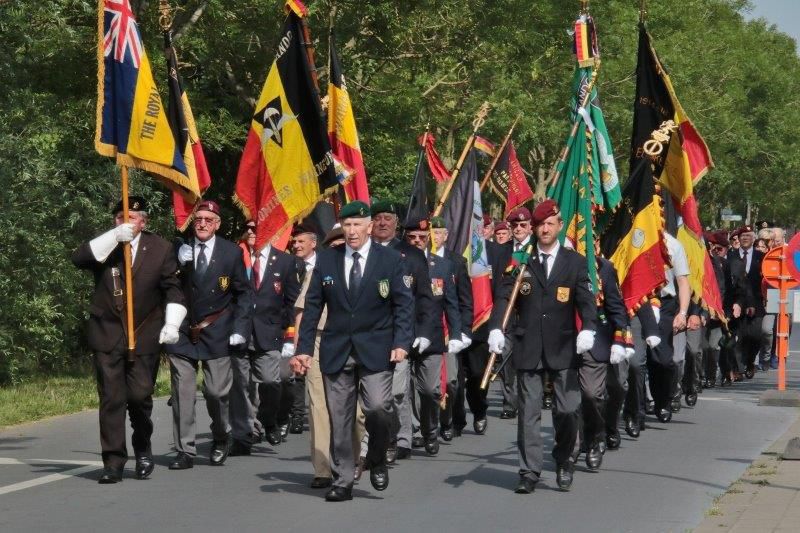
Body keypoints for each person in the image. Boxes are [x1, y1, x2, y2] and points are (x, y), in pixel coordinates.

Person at [290, 201, 414, 502]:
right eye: (347, 225)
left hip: (377, 348)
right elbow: (313, 307)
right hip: (337, 348)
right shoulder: (328, 260)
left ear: (369, 227)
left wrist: (401, 343)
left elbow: (403, 304)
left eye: (358, 225)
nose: (352, 231)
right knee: (340, 417)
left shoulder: (390, 260)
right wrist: (304, 348)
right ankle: (342, 479)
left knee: (377, 407)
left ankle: (377, 456)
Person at [72, 196, 185, 484]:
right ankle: (113, 462)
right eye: (121, 217)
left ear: (144, 222)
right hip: (107, 333)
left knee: (139, 396)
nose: (126, 221)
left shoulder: (160, 248)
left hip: (145, 334)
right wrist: (112, 236)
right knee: (112, 399)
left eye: (133, 217)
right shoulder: (106, 246)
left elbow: (172, 289)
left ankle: (143, 448)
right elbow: (79, 258)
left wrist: (172, 323)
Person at [488, 199, 597, 493]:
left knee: (567, 409)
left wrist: (588, 327)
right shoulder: (522, 261)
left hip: (563, 346)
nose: (545, 229)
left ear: (559, 227)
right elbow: (504, 297)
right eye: (540, 225)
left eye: (550, 224)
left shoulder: (574, 262)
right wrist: (496, 328)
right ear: (534, 229)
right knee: (529, 412)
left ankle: (564, 460)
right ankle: (529, 471)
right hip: (529, 345)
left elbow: (587, 301)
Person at [166, 200, 253, 469]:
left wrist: (239, 329)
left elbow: (243, 293)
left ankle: (220, 436)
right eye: (198, 219)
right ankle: (186, 450)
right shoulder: (179, 249)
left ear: (217, 224)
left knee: (216, 392)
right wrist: (177, 264)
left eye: (208, 219)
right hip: (183, 329)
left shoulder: (230, 253)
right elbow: (166, 284)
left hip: (217, 330)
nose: (202, 224)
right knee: (183, 392)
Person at [228, 221, 302, 455]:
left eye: (256, 228)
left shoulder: (286, 261)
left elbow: (292, 303)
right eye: (248, 228)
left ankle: (268, 420)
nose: (250, 232)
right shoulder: (235, 257)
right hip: (238, 331)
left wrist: (290, 338)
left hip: (270, 333)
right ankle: (242, 436)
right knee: (240, 386)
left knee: (271, 382)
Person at [370, 200, 435, 463]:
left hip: (400, 332)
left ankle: (402, 437)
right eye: (378, 218)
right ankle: (386, 438)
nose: (383, 223)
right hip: (370, 332)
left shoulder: (411, 254)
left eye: (388, 218)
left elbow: (424, 297)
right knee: (378, 394)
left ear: (396, 222)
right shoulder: (364, 251)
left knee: (397, 391)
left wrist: (423, 330)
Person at [404, 218, 463, 455]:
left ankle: (430, 429)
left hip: (432, 337)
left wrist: (457, 333)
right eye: (412, 238)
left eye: (421, 237)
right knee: (400, 391)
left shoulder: (442, 266)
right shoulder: (397, 262)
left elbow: (451, 304)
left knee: (430, 390)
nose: (417, 241)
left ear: (428, 237)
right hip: (402, 336)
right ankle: (408, 434)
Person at [573, 256, 629, 471]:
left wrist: (621, 338)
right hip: (561, 339)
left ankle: (595, 438)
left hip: (595, 337)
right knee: (567, 402)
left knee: (591, 394)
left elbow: (615, 305)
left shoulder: (602, 267)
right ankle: (570, 449)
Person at [428, 216, 473, 441]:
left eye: (440, 233)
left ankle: (447, 419)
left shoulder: (456, 262)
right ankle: (430, 425)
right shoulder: (418, 260)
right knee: (427, 383)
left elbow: (465, 299)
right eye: (432, 233)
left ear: (446, 236)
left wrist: (464, 331)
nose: (436, 237)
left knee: (451, 381)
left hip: (450, 330)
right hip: (428, 329)